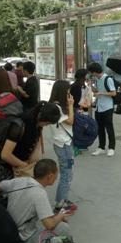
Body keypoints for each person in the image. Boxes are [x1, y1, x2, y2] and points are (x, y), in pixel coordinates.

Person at [0, 159, 75, 243]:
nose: (56, 178)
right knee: (63, 228)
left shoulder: (20, 181)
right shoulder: (39, 193)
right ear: (50, 176)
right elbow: (49, 224)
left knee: (50, 223)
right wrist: (61, 215)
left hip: (6, 235)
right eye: (56, 175)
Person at [0, 101, 61, 182]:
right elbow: (5, 155)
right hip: (7, 168)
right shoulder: (20, 125)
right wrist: (24, 166)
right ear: (41, 116)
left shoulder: (37, 125)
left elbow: (35, 150)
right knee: (7, 193)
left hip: (21, 167)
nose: (47, 125)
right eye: (47, 122)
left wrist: (30, 165)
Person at [47, 80, 77, 212]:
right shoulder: (57, 108)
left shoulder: (53, 106)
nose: (69, 93)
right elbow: (70, 121)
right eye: (67, 91)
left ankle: (63, 198)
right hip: (63, 145)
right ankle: (60, 203)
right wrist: (71, 105)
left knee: (67, 172)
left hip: (61, 143)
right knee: (67, 173)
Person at [88, 62, 117, 157]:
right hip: (99, 107)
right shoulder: (97, 80)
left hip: (107, 107)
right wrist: (91, 86)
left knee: (109, 128)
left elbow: (113, 93)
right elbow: (97, 91)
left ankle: (111, 148)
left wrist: (101, 93)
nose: (92, 75)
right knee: (100, 128)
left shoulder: (107, 79)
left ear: (95, 72)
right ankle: (101, 147)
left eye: (92, 73)